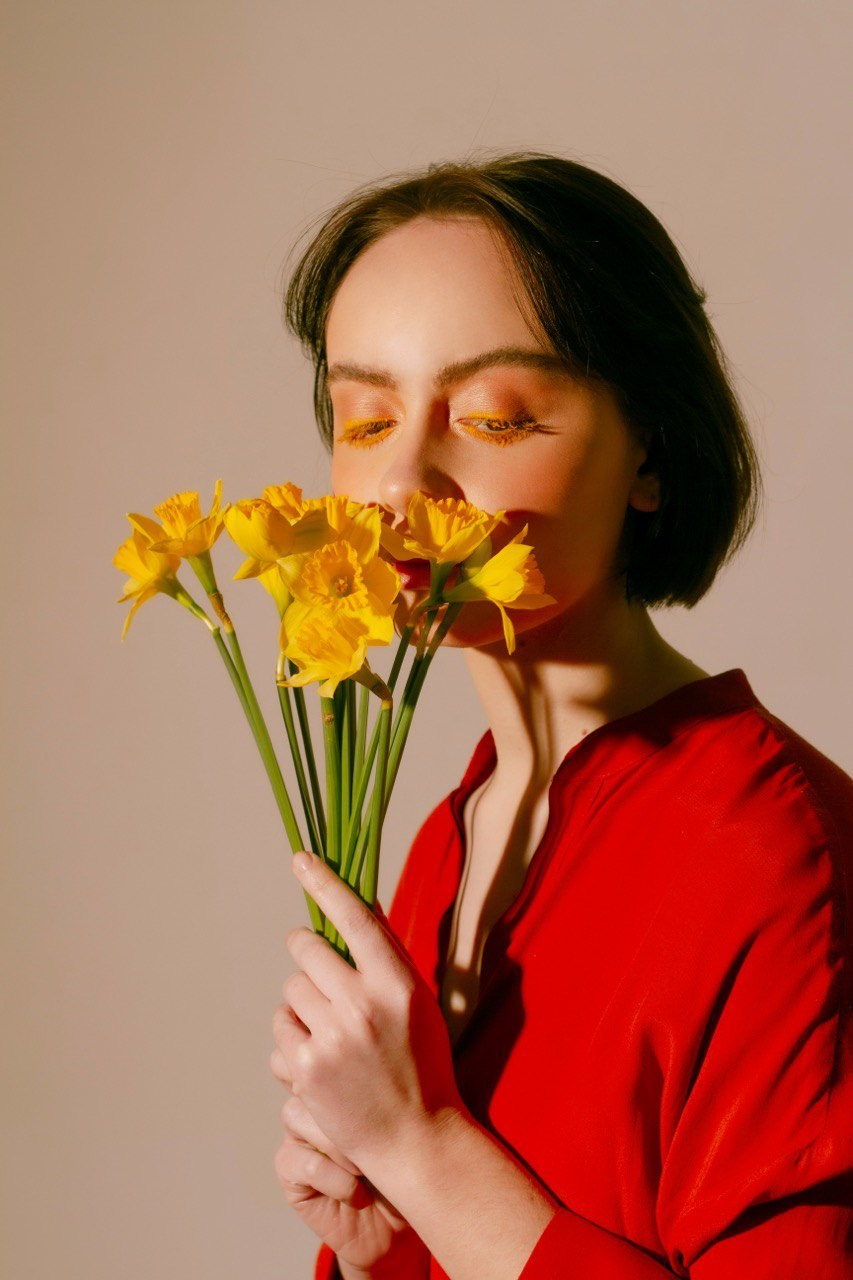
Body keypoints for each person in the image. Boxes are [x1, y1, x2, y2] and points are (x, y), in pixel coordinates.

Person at [268, 153, 853, 1279]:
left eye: (494, 419)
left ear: (649, 451)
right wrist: (390, 1241)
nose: (403, 485)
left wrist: (423, 1149)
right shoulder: (449, 840)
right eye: (366, 418)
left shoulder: (777, 859)